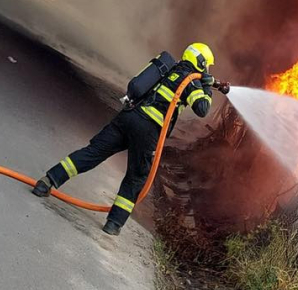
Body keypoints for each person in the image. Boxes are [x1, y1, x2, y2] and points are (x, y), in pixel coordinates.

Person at [32, 42, 229, 237]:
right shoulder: (192, 82)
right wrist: (206, 86)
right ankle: (114, 223)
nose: (207, 70)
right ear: (201, 63)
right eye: (207, 66)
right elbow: (202, 108)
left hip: (128, 117)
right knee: (136, 176)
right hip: (148, 130)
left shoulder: (169, 68)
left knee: (92, 153)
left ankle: (47, 182)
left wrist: (211, 83)